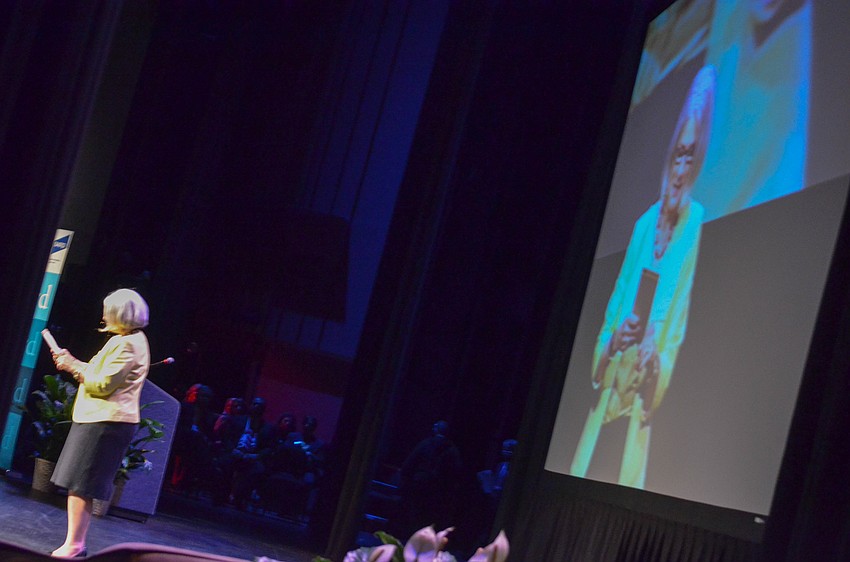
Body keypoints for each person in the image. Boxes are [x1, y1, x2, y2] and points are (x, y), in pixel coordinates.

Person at [571, 66, 716, 487]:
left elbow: (680, 322)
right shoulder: (642, 225)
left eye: (691, 157)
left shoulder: (695, 223)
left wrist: (656, 360)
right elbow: (611, 315)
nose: (681, 169)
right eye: (677, 156)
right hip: (605, 406)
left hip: (638, 415)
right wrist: (617, 337)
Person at [49, 288, 151, 558]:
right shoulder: (126, 339)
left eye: (108, 310)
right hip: (99, 418)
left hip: (106, 421)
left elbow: (103, 384)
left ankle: (75, 545)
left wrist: (73, 366)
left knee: (82, 484)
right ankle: (74, 543)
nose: (104, 315)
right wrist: (73, 363)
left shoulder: (128, 344)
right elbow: (99, 373)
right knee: (78, 482)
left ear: (120, 314)